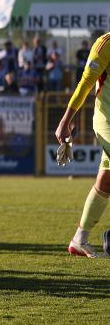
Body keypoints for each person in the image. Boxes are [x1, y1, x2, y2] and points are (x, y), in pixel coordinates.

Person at [55, 31, 110, 258]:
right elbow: (86, 82)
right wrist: (66, 120)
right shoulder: (105, 43)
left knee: (106, 181)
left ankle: (80, 239)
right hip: (107, 121)